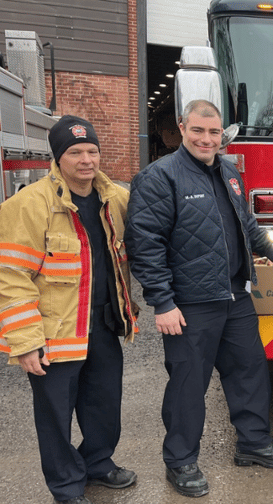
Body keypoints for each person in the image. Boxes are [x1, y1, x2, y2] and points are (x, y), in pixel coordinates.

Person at [125, 100, 273, 498]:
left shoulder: (230, 172)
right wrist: (162, 302)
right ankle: (180, 460)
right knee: (188, 384)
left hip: (235, 295)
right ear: (183, 129)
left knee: (249, 373)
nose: (206, 139)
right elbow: (144, 245)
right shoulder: (159, 177)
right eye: (198, 131)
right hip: (189, 304)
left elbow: (248, 225)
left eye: (214, 132)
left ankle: (253, 444)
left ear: (223, 134)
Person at [0, 116, 138, 504]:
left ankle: (98, 462)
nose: (86, 160)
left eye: (92, 151)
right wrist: (25, 342)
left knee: (104, 402)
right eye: (75, 152)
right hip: (54, 331)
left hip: (104, 323)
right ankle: (66, 486)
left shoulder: (116, 199)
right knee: (55, 416)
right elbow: (10, 278)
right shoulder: (28, 205)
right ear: (58, 158)